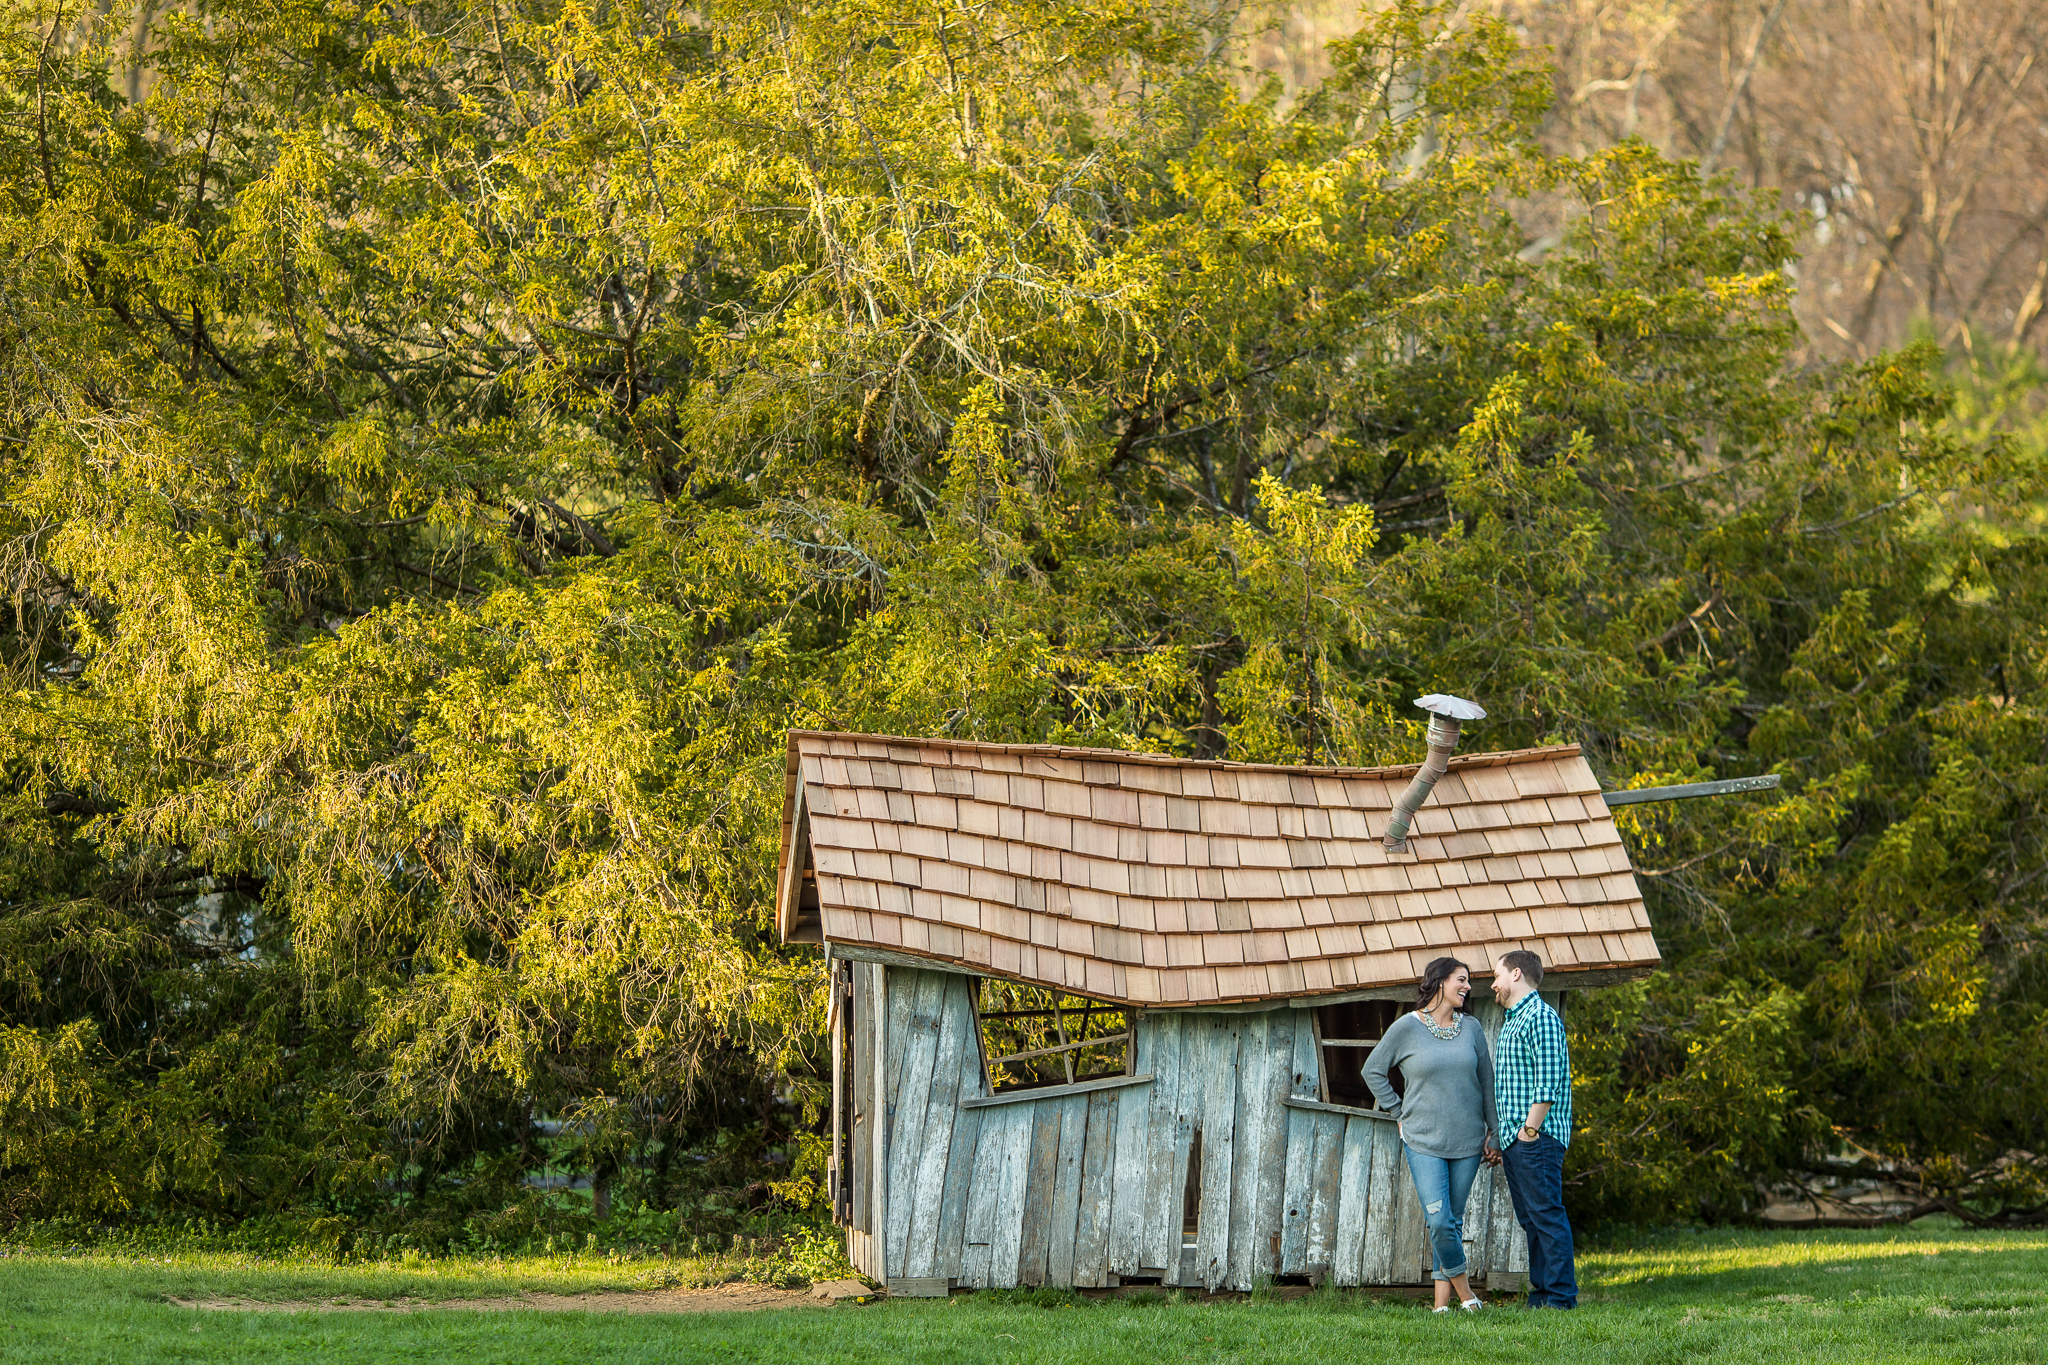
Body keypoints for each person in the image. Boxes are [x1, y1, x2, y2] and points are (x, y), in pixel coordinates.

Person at [1364, 955, 1498, 1314]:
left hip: (1468, 1141)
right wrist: (1398, 1111)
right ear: (1440, 981)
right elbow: (1372, 1070)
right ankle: (1467, 1294)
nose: (1467, 987)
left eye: (1468, 981)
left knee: (1450, 1223)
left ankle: (1441, 1306)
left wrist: (1494, 1133)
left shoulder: (1471, 1028)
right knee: (1439, 1219)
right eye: (1462, 979)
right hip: (1422, 1140)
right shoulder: (1406, 1028)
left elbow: (1487, 1083)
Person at [1491, 948, 1576, 1309]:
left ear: (1515, 974)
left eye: (1497, 975)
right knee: (1531, 1219)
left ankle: (1560, 1299)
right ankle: (1541, 1296)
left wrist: (1529, 1131)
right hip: (1517, 1138)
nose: (1492, 983)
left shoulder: (1540, 1017)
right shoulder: (1515, 1018)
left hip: (1535, 1138)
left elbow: (1548, 1081)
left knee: (1546, 1215)